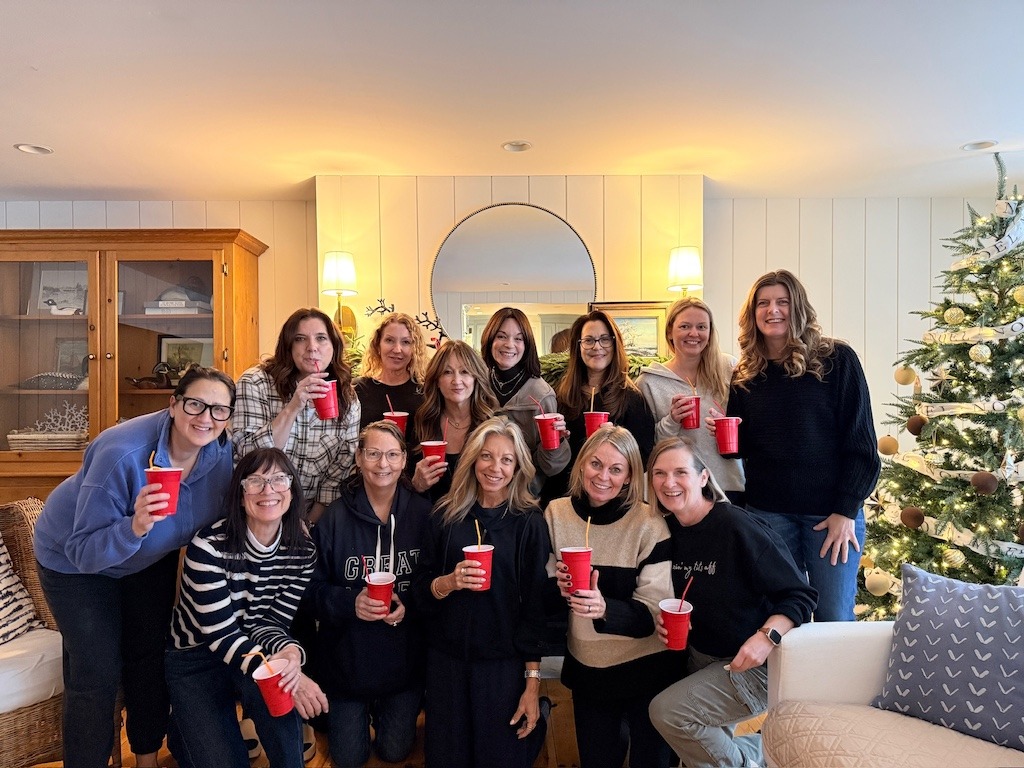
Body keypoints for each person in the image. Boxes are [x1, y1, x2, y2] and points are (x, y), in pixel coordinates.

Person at [34, 366, 236, 768]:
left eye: (219, 410)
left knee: (150, 656)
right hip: (76, 563)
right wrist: (135, 526)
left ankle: (146, 758)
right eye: (195, 405)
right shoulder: (121, 453)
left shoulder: (220, 453)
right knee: (96, 671)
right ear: (173, 404)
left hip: (148, 558)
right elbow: (83, 550)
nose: (206, 418)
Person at [713, 269, 879, 621]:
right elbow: (741, 450)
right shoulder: (746, 373)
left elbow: (863, 447)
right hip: (769, 515)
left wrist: (846, 511)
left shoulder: (837, 359)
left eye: (782, 302)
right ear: (752, 314)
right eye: (763, 303)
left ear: (798, 307)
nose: (772, 310)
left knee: (833, 618)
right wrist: (722, 430)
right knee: (778, 616)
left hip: (830, 516)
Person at [646, 437, 817, 767]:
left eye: (680, 472)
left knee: (668, 713)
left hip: (753, 665)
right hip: (701, 658)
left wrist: (765, 638)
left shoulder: (737, 526)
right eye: (659, 473)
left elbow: (801, 594)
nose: (669, 483)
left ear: (703, 477)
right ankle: (762, 752)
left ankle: (755, 756)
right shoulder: (666, 531)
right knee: (702, 754)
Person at [165, 447, 326, 768]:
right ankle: (183, 726)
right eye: (255, 481)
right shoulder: (208, 547)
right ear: (240, 496)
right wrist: (286, 673)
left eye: (279, 480)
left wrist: (291, 655)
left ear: (292, 491)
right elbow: (222, 635)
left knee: (286, 734)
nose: (268, 490)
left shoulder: (302, 551)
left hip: (252, 648)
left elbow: (272, 622)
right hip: (195, 656)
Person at [411, 417, 551, 768]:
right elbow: (419, 590)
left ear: (518, 467)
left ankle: (542, 715)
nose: (495, 468)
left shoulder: (529, 522)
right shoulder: (444, 515)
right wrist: (448, 582)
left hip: (502, 662)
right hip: (447, 659)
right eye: (487, 456)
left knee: (499, 758)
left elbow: (536, 609)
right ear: (473, 459)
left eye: (506, 459)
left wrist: (532, 684)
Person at [545, 426, 677, 768]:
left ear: (630, 476)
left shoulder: (650, 522)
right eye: (596, 464)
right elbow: (542, 594)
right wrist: (556, 589)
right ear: (581, 464)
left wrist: (606, 609)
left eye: (616, 469)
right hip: (589, 670)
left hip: (646, 669)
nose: (603, 476)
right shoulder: (556, 514)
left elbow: (656, 614)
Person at [302, 420, 431, 767]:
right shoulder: (334, 518)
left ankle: (390, 712)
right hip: (347, 665)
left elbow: (435, 584)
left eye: (392, 455)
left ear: (404, 460)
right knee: (349, 758)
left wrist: (409, 604)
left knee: (394, 751)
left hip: (404, 665)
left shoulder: (424, 515)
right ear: (358, 458)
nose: (382, 464)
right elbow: (310, 592)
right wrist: (351, 602)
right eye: (373, 454)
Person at [233, 307, 360, 523]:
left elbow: (338, 474)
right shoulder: (256, 382)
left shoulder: (347, 398)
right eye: (300, 339)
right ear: (289, 346)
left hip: (309, 517)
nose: (312, 347)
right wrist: (293, 407)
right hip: (255, 511)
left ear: (334, 346)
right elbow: (249, 457)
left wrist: (306, 524)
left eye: (321, 338)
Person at [637, 297, 745, 505]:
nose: (694, 333)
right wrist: (672, 420)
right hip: (677, 489)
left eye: (701, 327)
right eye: (685, 326)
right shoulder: (649, 382)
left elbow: (751, 428)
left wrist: (731, 425)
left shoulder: (730, 369)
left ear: (710, 332)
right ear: (670, 331)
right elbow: (648, 447)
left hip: (728, 485)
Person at [546, 310, 655, 502]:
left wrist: (617, 440)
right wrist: (559, 441)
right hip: (564, 498)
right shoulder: (562, 395)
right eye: (589, 340)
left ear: (615, 344)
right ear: (578, 347)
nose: (597, 347)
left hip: (609, 499)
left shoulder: (631, 399)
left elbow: (643, 459)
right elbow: (550, 462)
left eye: (604, 339)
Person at [481, 307, 570, 496]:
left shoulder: (541, 394)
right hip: (478, 491)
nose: (509, 344)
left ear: (527, 345)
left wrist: (556, 440)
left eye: (518, 339)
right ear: (490, 339)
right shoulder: (478, 385)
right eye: (501, 336)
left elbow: (550, 467)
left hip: (523, 495)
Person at [410, 340, 497, 501]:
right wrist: (417, 484)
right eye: (447, 372)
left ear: (475, 378)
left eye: (464, 372)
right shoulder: (422, 423)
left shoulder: (491, 426)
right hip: (431, 513)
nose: (456, 381)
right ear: (436, 380)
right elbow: (405, 485)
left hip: (478, 515)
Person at [354, 312, 428, 439]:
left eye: (406, 342)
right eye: (389, 340)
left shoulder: (425, 391)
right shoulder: (358, 389)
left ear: (414, 349)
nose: (397, 349)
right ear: (378, 345)